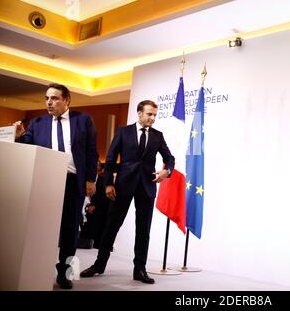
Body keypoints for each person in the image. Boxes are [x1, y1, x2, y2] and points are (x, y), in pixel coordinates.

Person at [80, 100, 175, 284]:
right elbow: (109, 158)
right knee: (111, 226)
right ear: (139, 114)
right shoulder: (123, 132)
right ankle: (99, 265)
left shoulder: (158, 135)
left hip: (147, 187)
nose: (152, 118)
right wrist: (108, 184)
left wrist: (166, 171)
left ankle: (139, 270)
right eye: (149, 114)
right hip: (122, 186)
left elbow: (169, 158)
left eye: (155, 115)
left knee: (143, 230)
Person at [14, 83, 98, 289]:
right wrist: (18, 136)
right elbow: (27, 145)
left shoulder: (83, 119)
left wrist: (90, 179)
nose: (49, 102)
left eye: (54, 98)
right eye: (46, 98)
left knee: (70, 230)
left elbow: (91, 151)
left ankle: (65, 273)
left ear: (66, 100)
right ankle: (38, 269)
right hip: (45, 180)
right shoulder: (38, 122)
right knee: (42, 228)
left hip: (72, 181)